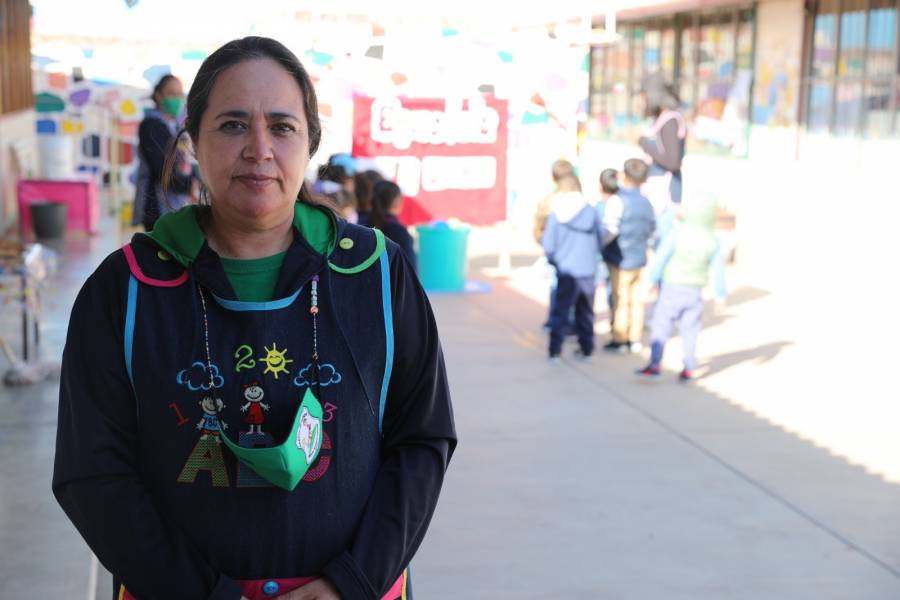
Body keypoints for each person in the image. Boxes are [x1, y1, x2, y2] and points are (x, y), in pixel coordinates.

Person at [53, 36, 456, 600]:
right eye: (234, 124)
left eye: (283, 127)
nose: (259, 148)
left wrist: (352, 581)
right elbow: (92, 472)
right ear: (193, 139)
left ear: (311, 141)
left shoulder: (379, 275)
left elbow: (423, 439)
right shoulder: (124, 290)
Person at [638, 196, 727, 381]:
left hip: (671, 287)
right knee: (690, 330)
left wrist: (651, 280)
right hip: (694, 291)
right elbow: (719, 270)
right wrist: (720, 294)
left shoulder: (677, 233)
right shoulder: (712, 240)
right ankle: (688, 367)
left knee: (661, 325)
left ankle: (655, 364)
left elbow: (661, 258)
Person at [541, 174, 604, 362]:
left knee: (560, 312)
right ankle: (587, 349)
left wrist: (556, 261)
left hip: (566, 270)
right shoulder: (591, 212)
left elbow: (549, 245)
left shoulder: (556, 214)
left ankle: (555, 351)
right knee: (586, 312)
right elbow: (600, 238)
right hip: (587, 270)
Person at [602, 158, 655, 354]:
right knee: (637, 300)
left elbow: (610, 230)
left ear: (624, 176)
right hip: (639, 258)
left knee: (620, 299)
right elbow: (651, 230)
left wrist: (600, 246)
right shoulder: (646, 203)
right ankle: (635, 338)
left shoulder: (617, 201)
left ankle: (620, 338)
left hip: (620, 259)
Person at [133, 74, 195, 231]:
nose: (177, 99)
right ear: (159, 96)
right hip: (156, 208)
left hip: (174, 204)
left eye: (180, 94)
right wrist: (189, 184)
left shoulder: (173, 127)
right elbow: (162, 169)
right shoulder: (152, 126)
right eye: (172, 94)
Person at [637, 75, 686, 244]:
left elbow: (672, 162)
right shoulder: (662, 119)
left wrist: (643, 142)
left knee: (663, 244)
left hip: (666, 194)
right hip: (656, 192)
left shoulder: (670, 120)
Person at [533, 159, 576, 331]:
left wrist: (545, 243)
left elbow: (539, 225)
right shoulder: (579, 199)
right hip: (572, 251)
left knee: (557, 285)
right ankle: (567, 320)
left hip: (556, 250)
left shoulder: (549, 201)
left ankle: (556, 320)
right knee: (570, 286)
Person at [364, 180, 416, 272]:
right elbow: (410, 269)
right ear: (396, 201)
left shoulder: (361, 223)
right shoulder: (399, 230)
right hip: (391, 284)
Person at [596, 168, 619, 333]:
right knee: (614, 294)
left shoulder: (598, 208)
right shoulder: (622, 205)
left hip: (600, 257)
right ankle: (615, 323)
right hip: (613, 257)